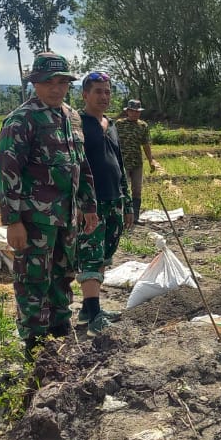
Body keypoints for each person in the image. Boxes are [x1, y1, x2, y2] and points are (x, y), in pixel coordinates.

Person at [0, 52, 98, 355]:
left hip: (67, 216)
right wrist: (13, 221)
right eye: (49, 83)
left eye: (62, 83)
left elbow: (81, 164)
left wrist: (89, 206)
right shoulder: (22, 120)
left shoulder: (72, 117)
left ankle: (60, 329)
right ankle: (35, 342)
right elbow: (8, 172)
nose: (56, 89)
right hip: (34, 220)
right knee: (33, 280)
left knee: (63, 274)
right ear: (35, 84)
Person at [76, 71, 134, 333]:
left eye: (108, 92)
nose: (104, 96)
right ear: (85, 95)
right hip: (91, 203)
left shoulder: (111, 125)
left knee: (104, 254)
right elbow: (75, 166)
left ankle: (87, 310)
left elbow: (119, 164)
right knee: (91, 255)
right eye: (98, 91)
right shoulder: (78, 124)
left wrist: (127, 203)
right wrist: (81, 203)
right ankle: (95, 319)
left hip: (114, 200)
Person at [115, 99, 160, 223]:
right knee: (122, 190)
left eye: (138, 111)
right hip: (122, 163)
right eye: (133, 111)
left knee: (137, 190)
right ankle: (122, 216)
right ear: (128, 111)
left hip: (137, 163)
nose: (135, 113)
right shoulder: (119, 124)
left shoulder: (143, 126)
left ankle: (135, 217)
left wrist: (151, 160)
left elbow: (146, 144)